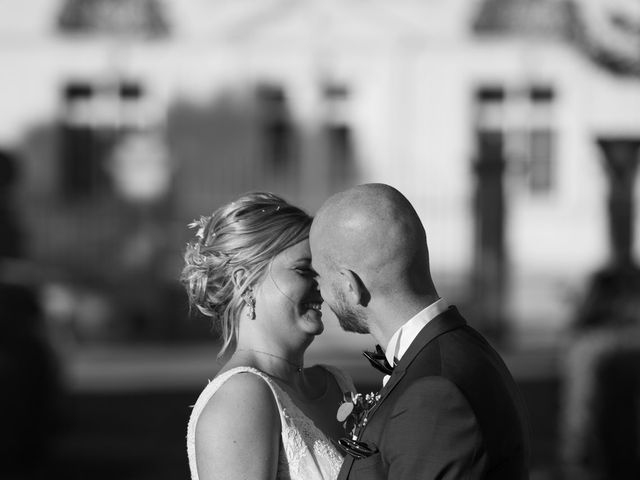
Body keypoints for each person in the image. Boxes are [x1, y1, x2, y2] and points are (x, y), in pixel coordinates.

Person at [309, 183, 530, 480]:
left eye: (319, 276)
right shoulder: (462, 348)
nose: (319, 291)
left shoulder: (433, 395)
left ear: (350, 286)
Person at [181, 192, 355, 480]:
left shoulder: (337, 384)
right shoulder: (241, 397)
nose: (322, 288)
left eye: (321, 273)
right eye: (303, 271)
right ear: (244, 283)